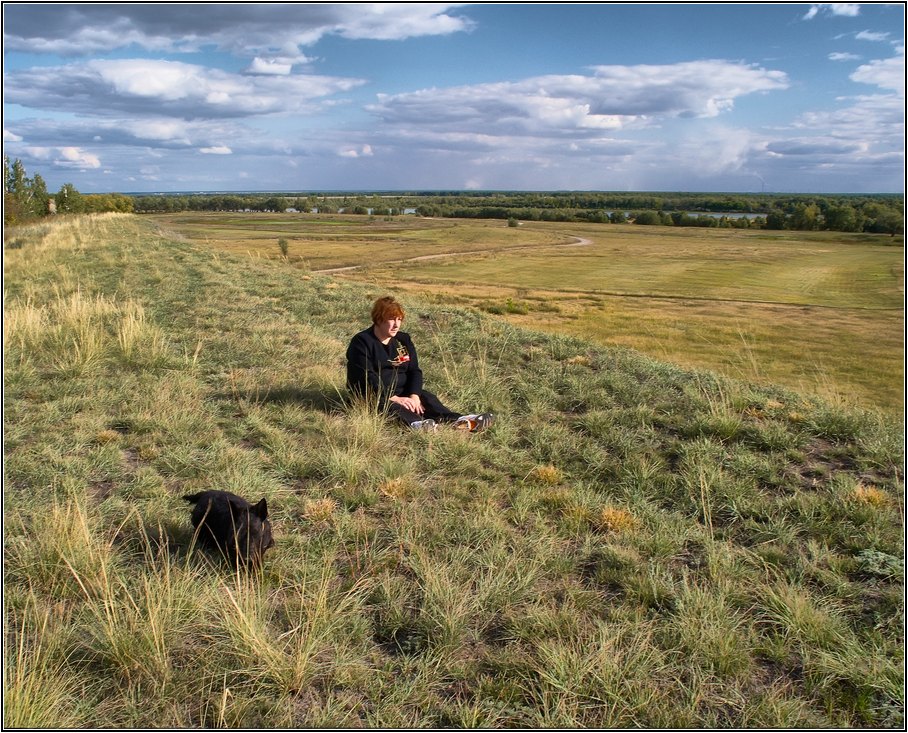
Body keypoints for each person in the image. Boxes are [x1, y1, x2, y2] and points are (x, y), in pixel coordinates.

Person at [346, 295, 494, 432]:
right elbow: (366, 377)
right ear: (378, 319)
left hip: (402, 392)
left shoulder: (403, 340)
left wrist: (414, 396)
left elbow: (414, 371)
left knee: (427, 398)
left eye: (399, 319)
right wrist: (394, 398)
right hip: (374, 396)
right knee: (389, 406)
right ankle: (418, 425)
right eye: (392, 319)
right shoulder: (362, 342)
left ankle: (460, 420)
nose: (396, 325)